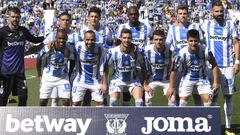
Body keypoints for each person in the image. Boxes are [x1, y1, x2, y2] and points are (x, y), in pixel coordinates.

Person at [200, 1, 239, 134]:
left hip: (228, 66)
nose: (219, 14)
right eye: (216, 11)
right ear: (212, 12)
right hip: (211, 68)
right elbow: (198, 41)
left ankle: (228, 127)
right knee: (213, 97)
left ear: (224, 11)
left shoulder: (230, 24)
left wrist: (237, 61)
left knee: (228, 96)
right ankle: (214, 126)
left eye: (221, 11)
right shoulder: (205, 25)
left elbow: (236, 42)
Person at [0, 7, 44, 106]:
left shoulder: (23, 31)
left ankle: (21, 119)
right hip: (5, 73)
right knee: (3, 99)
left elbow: (35, 40)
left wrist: (48, 37)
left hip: (20, 73)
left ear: (20, 17)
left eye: (17, 17)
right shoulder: (2, 32)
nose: (15, 19)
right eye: (13, 17)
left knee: (23, 98)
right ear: (8, 17)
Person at [166, 29, 219, 107]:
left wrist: (215, 82)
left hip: (202, 78)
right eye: (191, 41)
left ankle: (204, 118)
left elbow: (214, 65)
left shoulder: (206, 51)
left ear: (198, 41)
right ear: (187, 41)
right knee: (183, 101)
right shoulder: (181, 53)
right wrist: (170, 87)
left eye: (195, 41)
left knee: (208, 101)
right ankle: (183, 118)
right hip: (187, 78)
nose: (193, 43)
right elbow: (174, 70)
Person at [166, 4, 203, 106]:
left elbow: (202, 43)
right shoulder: (172, 29)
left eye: (185, 13)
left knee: (196, 94)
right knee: (176, 92)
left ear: (188, 14)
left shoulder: (195, 26)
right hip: (179, 66)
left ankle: (198, 116)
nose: (183, 15)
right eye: (180, 13)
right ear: (177, 15)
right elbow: (168, 46)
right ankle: (177, 116)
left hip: (194, 65)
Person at [116, 6, 152, 106]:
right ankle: (126, 110)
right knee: (127, 88)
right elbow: (117, 43)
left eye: (135, 14)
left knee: (142, 89)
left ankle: (143, 112)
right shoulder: (122, 27)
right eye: (131, 14)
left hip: (141, 63)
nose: (133, 16)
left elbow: (153, 39)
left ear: (138, 15)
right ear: (127, 15)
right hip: (126, 62)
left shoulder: (147, 27)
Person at [101, 29, 147, 107]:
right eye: (124, 38)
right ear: (121, 38)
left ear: (131, 39)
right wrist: (104, 84)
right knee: (113, 101)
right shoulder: (112, 52)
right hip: (117, 79)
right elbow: (105, 68)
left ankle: (136, 119)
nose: (126, 40)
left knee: (139, 102)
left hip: (133, 80)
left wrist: (145, 83)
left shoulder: (137, 51)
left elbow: (143, 67)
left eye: (129, 38)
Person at [43, 12, 80, 107]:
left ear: (70, 21)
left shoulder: (76, 36)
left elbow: (78, 53)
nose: (65, 22)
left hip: (72, 72)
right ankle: (54, 119)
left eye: (67, 20)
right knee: (55, 99)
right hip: (56, 72)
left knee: (70, 98)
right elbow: (44, 49)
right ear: (59, 21)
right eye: (63, 20)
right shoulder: (52, 35)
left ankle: (69, 118)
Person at [79, 6, 113, 106]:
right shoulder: (83, 30)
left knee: (103, 95)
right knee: (86, 96)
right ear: (88, 17)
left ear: (99, 18)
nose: (94, 18)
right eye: (92, 16)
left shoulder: (106, 30)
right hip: (87, 67)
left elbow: (110, 43)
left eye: (96, 16)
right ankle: (86, 118)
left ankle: (104, 116)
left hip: (101, 67)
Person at [38, 29, 75, 106]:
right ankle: (42, 117)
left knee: (66, 101)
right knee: (43, 101)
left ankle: (66, 117)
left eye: (64, 38)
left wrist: (69, 73)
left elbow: (72, 61)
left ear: (67, 38)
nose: (62, 40)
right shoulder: (49, 47)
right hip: (48, 77)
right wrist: (39, 74)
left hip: (63, 78)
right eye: (59, 38)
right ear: (55, 38)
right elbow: (38, 59)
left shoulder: (70, 48)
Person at [71, 30, 105, 106]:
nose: (89, 42)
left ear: (95, 40)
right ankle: (75, 117)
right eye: (87, 40)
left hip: (96, 81)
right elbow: (66, 47)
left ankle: (99, 118)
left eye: (92, 40)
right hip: (80, 81)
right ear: (84, 39)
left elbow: (106, 64)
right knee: (76, 103)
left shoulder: (100, 49)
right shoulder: (78, 46)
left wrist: (104, 83)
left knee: (100, 103)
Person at [142, 30, 175, 106]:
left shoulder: (171, 50)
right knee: (147, 100)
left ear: (164, 40)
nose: (158, 42)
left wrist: (171, 86)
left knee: (172, 100)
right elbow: (142, 68)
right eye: (156, 40)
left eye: (161, 39)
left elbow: (173, 69)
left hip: (166, 80)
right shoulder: (146, 50)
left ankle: (171, 117)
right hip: (151, 80)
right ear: (152, 40)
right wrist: (145, 85)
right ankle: (148, 117)